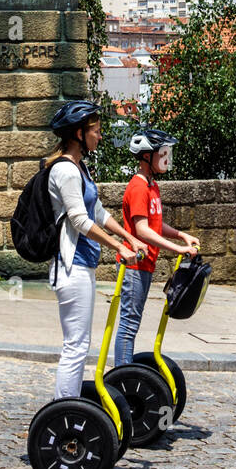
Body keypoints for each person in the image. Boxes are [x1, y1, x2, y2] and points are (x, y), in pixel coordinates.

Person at [45, 101, 146, 398]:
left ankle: (72, 406)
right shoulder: (65, 170)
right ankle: (64, 410)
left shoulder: (81, 168)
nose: (100, 137)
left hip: (83, 264)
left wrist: (130, 238)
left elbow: (99, 212)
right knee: (75, 345)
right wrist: (118, 246)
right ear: (79, 133)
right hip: (70, 266)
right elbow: (79, 219)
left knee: (80, 344)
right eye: (96, 131)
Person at [113, 130, 199, 366]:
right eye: (163, 153)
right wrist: (177, 249)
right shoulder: (139, 187)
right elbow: (142, 231)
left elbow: (156, 224)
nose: (167, 158)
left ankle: (125, 373)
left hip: (146, 265)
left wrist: (182, 235)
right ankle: (122, 377)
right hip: (135, 265)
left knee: (133, 323)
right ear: (146, 157)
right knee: (129, 325)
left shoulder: (153, 186)